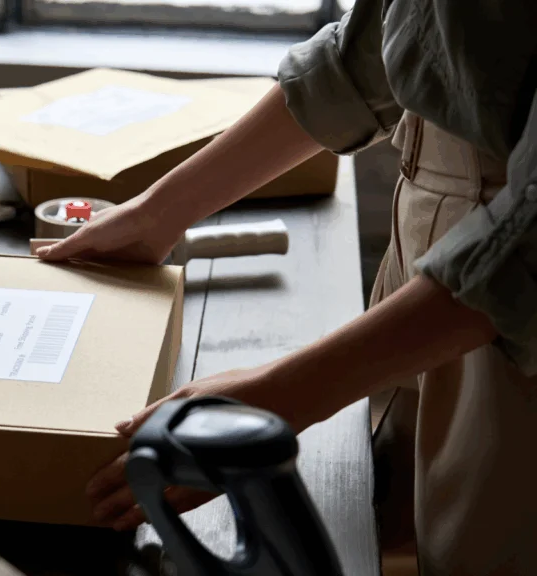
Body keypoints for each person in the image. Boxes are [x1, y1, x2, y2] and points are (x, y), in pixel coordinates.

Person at [36, 0, 537, 573]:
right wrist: (158, 212)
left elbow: (526, 242)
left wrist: (280, 395)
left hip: (504, 312)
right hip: (435, 273)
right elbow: (373, 48)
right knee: (406, 523)